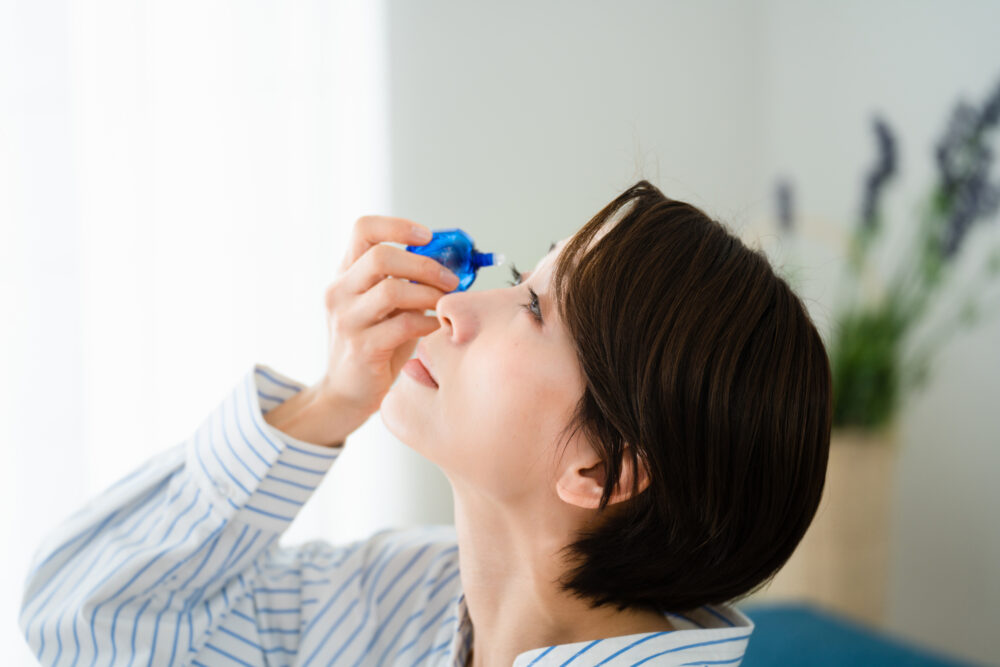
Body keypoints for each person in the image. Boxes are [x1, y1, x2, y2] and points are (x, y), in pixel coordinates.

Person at [19, 179, 832, 666]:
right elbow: (84, 625)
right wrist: (330, 401)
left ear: (602, 470)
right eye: (520, 275)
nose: (452, 305)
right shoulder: (402, 589)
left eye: (534, 309)